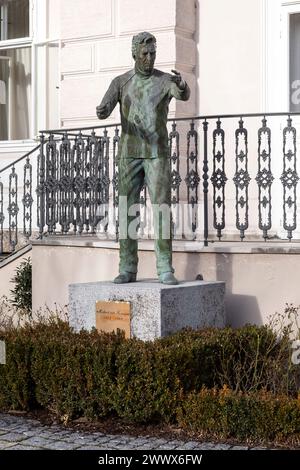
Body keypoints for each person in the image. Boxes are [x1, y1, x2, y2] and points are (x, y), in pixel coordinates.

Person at [96, 31, 190, 284]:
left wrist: (182, 85)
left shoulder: (165, 81)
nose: (150, 58)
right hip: (129, 154)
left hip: (156, 153)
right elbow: (104, 110)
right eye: (145, 54)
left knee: (161, 208)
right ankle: (127, 267)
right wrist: (103, 110)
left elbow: (182, 94)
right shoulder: (121, 82)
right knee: (128, 211)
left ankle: (164, 267)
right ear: (134, 54)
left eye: (153, 53)